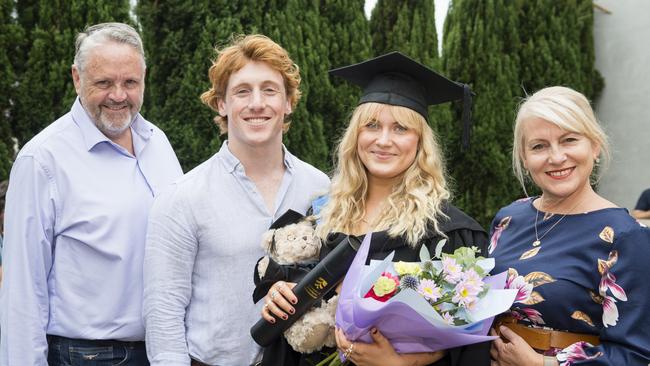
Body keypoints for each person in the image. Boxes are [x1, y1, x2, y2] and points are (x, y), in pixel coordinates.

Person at [261, 52, 490, 366]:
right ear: (356, 137)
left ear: (420, 142)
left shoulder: (451, 235)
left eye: (400, 129)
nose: (383, 140)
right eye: (371, 125)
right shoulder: (321, 218)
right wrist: (280, 295)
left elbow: (469, 351)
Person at [0, 22, 182, 365]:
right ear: (76, 78)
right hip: (85, 355)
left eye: (130, 82)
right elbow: (22, 292)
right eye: (103, 83)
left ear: (144, 78)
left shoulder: (158, 143)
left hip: (165, 350)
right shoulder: (42, 161)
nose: (118, 95)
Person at [142, 34, 330, 366]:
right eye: (242, 91)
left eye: (270, 90)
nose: (257, 103)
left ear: (288, 102)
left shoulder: (318, 187)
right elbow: (163, 312)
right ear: (222, 104)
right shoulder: (182, 197)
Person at [488, 86, 650, 365]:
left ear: (595, 145)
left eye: (569, 140)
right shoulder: (508, 219)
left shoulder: (625, 236)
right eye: (539, 146)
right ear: (525, 158)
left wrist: (543, 365)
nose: (556, 157)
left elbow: (636, 355)